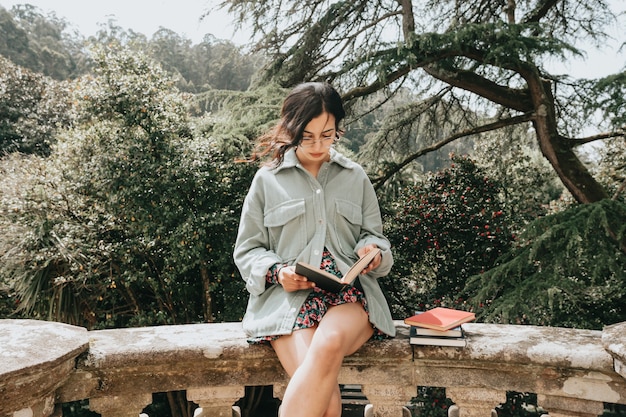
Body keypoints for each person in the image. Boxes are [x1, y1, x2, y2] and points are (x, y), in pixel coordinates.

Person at [233, 82, 395, 417]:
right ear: (291, 130)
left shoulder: (355, 176)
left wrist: (373, 251)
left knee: (329, 341)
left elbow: (376, 238)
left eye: (328, 134)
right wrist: (279, 273)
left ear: (338, 129)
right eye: (307, 136)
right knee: (328, 403)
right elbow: (247, 250)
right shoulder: (267, 180)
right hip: (288, 303)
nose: (319, 144)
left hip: (349, 298)